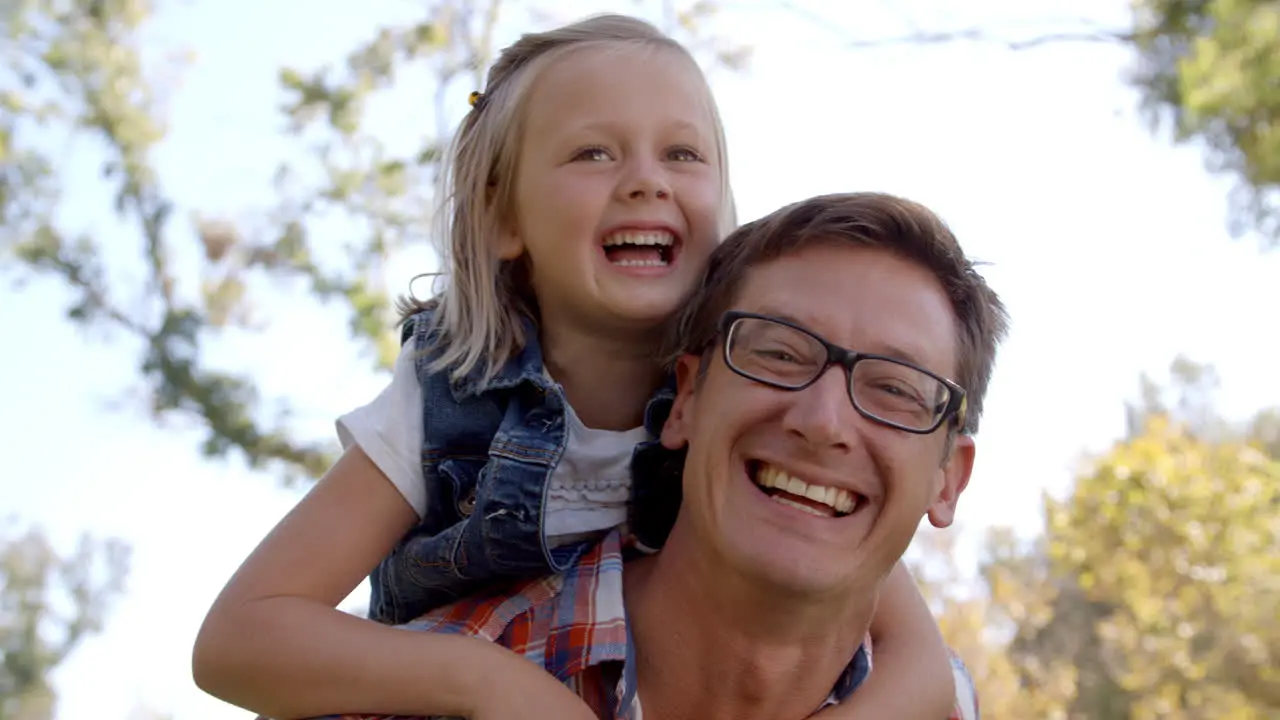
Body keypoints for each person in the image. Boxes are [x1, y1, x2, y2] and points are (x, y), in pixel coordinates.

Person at [191, 14, 959, 720]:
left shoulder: (760, 420)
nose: (645, 179)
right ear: (503, 219)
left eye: (682, 153)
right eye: (594, 152)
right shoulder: (449, 400)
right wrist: (483, 680)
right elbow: (237, 639)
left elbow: (921, 664)